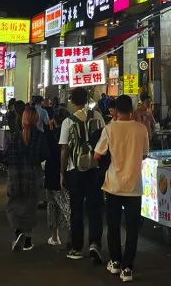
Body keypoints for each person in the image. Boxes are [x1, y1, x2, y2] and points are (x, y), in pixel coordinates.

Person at [94, 96, 149, 283]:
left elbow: (97, 155)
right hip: (134, 186)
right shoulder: (141, 129)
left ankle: (115, 262)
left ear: (115, 111)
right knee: (133, 228)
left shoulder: (109, 129)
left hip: (114, 185)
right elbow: (144, 155)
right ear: (132, 111)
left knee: (113, 225)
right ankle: (127, 268)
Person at [59, 86, 105, 262]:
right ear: (87, 100)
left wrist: (62, 172)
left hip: (74, 171)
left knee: (76, 209)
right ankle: (95, 244)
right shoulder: (98, 118)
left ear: (72, 102)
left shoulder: (68, 122)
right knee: (95, 208)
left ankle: (77, 248)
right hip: (95, 169)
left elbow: (64, 149)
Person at [5, 106, 46, 251]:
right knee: (30, 208)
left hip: (15, 174)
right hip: (33, 175)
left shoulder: (14, 136)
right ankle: (27, 240)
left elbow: (7, 156)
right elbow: (43, 155)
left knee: (12, 206)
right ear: (36, 119)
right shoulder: (40, 136)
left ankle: (18, 231)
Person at [44, 107, 70, 246]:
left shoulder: (49, 134)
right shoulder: (70, 133)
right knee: (67, 206)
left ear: (54, 120)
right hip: (66, 172)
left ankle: (55, 237)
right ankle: (72, 237)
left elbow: (45, 153)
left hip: (51, 172)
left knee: (52, 205)